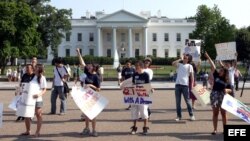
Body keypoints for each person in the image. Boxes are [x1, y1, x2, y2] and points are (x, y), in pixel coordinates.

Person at [204, 52, 232, 135]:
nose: (220, 70)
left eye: (222, 70)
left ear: (225, 72)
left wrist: (227, 90)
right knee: (215, 113)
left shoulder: (226, 80)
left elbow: (231, 90)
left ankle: (224, 129)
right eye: (220, 69)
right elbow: (212, 65)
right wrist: (208, 56)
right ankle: (215, 129)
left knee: (223, 113)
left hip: (223, 96)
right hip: (214, 95)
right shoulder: (216, 75)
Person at [76, 48, 101, 137]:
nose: (88, 66)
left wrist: (90, 86)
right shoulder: (87, 71)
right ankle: (87, 128)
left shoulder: (96, 77)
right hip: (85, 96)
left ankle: (94, 130)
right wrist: (79, 53)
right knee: (86, 114)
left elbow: (98, 89)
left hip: (93, 96)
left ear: (94, 67)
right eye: (88, 66)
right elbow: (82, 63)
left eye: (90, 66)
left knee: (93, 114)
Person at [20, 64, 47, 137]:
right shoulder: (33, 77)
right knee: (27, 115)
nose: (34, 69)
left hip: (37, 99)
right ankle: (28, 130)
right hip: (29, 99)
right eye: (35, 68)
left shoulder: (42, 78)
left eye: (36, 68)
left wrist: (39, 95)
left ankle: (37, 132)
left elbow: (44, 89)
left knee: (38, 115)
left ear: (39, 69)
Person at [172, 54, 195, 121]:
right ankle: (179, 116)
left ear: (188, 60)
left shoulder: (190, 66)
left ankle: (191, 115)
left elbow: (192, 76)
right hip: (177, 85)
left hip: (185, 85)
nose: (184, 58)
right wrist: (180, 59)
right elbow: (173, 63)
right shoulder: (179, 64)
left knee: (187, 101)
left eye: (185, 58)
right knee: (178, 102)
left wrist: (192, 84)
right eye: (184, 57)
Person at [130, 61, 150, 135]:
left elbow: (148, 85)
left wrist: (150, 89)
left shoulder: (146, 75)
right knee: (134, 111)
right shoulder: (135, 74)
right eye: (135, 67)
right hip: (135, 96)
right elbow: (133, 84)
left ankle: (145, 127)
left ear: (141, 67)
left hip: (143, 96)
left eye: (137, 67)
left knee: (144, 112)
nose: (136, 68)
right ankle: (134, 127)